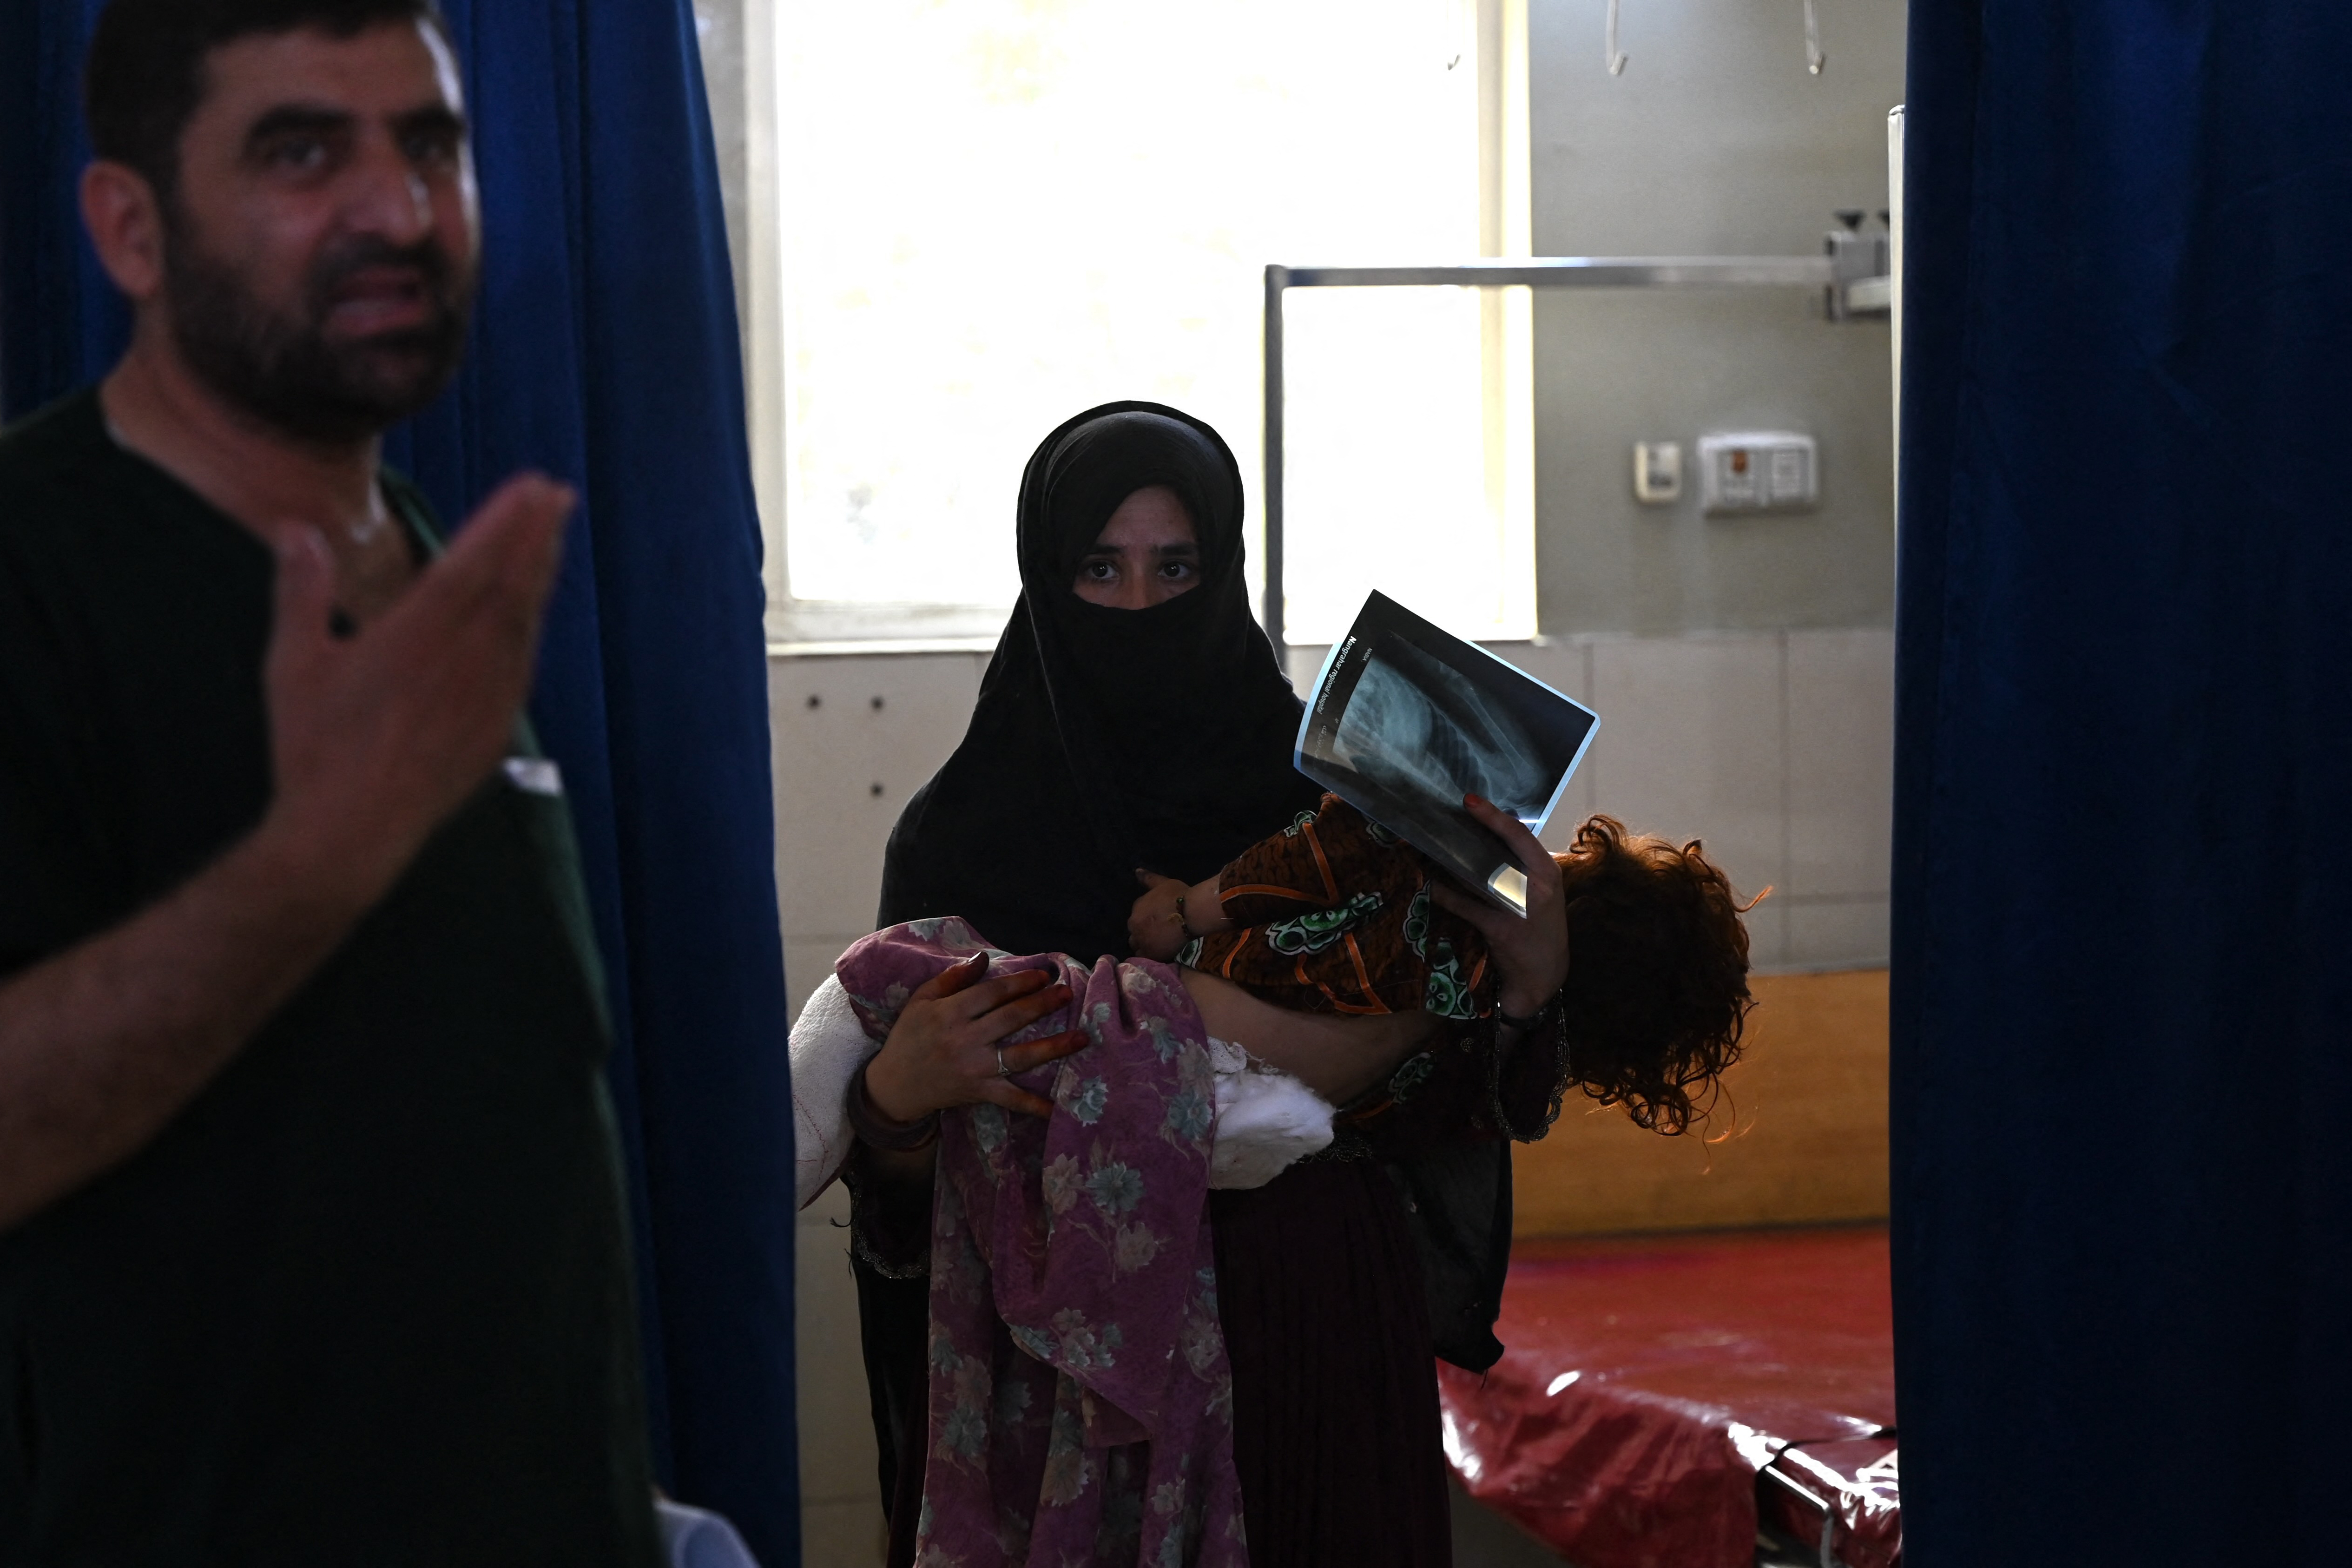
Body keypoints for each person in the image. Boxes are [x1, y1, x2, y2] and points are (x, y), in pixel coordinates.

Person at [0, 3, 659, 1561]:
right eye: (302, 151)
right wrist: (315, 858)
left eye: (427, 144)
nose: (397, 208)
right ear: (131, 228)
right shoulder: (32, 569)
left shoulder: (422, 544)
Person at [845, 401, 1627, 1566]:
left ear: (1225, 574)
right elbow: (900, 1198)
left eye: (1177, 567)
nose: (1140, 606)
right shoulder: (959, 842)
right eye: (1099, 569)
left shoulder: (1328, 813)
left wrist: (1524, 990)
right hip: (1047, 1389)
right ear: (1043, 579)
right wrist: (895, 1104)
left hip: (1301, 1341)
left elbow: (1443, 1100)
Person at [1130, 794, 1754, 1137]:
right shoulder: (1483, 1060)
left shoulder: (1443, 904)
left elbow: (1332, 843)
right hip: (1180, 1134)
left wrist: (1186, 908)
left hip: (1141, 1033)